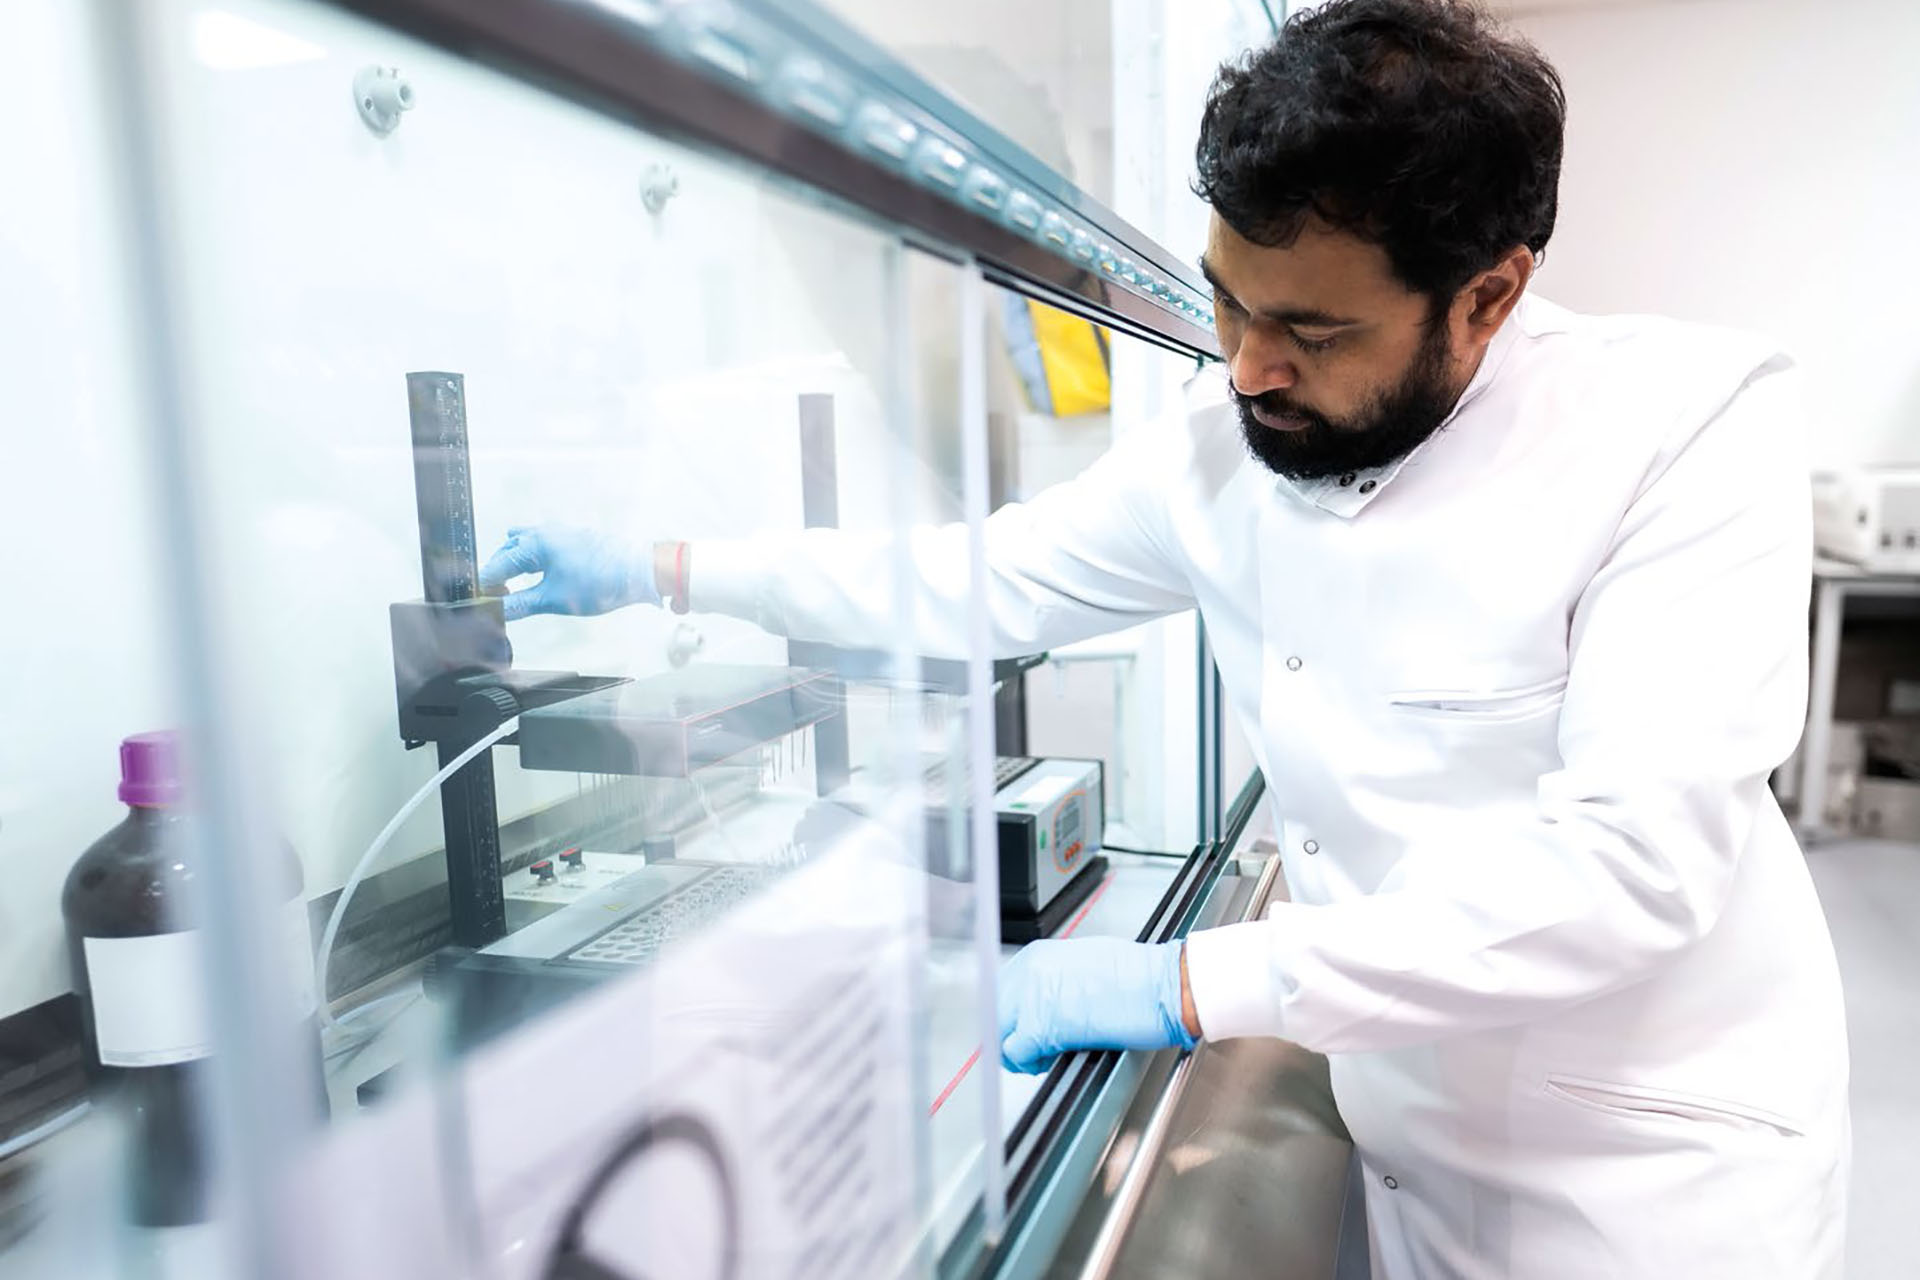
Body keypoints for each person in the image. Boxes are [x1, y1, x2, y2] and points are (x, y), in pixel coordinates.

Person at [478, 1, 1849, 1274]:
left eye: (1310, 329)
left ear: (1488, 296)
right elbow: (970, 582)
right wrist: (669, 569)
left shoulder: (1686, 425)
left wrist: (1185, 980)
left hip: (1649, 1177)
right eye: (1228, 301)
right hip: (1404, 1135)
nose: (1249, 366)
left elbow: (1630, 869)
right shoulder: (1221, 458)